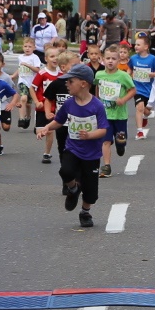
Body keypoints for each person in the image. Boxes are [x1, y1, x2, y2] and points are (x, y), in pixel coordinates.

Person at [38, 63, 108, 228]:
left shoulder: (97, 105)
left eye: (70, 81)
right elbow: (59, 120)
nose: (66, 84)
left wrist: (90, 135)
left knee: (91, 190)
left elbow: (103, 130)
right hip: (73, 148)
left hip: (91, 153)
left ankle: (85, 212)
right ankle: (73, 189)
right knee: (66, 171)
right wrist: (47, 127)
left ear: (83, 83)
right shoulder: (69, 104)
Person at [95, 44, 136, 178]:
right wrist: (96, 101)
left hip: (120, 115)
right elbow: (97, 87)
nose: (110, 61)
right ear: (103, 60)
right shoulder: (99, 74)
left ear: (119, 60)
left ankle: (120, 145)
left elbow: (133, 90)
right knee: (105, 141)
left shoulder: (123, 76)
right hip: (105, 115)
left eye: (113, 59)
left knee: (120, 139)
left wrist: (123, 100)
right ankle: (106, 166)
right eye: (108, 58)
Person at [128, 35, 155, 139]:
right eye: (136, 44)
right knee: (139, 107)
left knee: (146, 110)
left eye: (138, 45)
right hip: (137, 89)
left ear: (146, 47)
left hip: (149, 89)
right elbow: (130, 69)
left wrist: (153, 74)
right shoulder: (133, 58)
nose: (136, 46)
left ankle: (146, 115)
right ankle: (139, 131)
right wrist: (127, 76)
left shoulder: (152, 59)